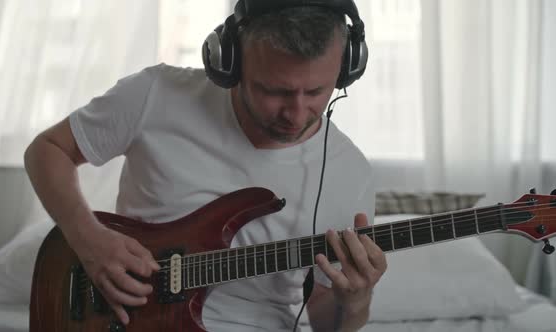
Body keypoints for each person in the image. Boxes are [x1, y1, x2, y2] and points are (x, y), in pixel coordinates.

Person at [24, 0, 387, 331]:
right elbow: (48, 149)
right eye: (274, 91)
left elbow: (325, 319)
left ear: (346, 69)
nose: (295, 114)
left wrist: (355, 301)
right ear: (230, 61)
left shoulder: (348, 174)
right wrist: (88, 238)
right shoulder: (156, 94)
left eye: (315, 92)